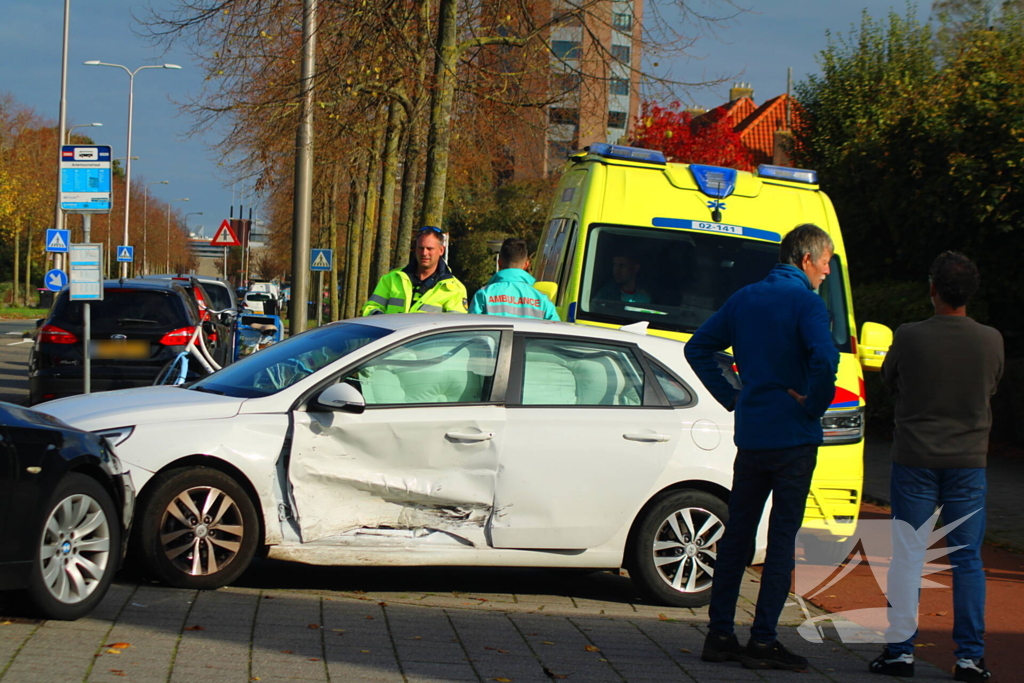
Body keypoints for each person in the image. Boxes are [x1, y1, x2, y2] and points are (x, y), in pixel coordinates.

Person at [684, 223, 839, 672]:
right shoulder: (807, 304)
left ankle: (719, 633)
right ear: (807, 258)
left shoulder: (745, 298)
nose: (827, 272)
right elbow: (825, 359)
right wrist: (814, 403)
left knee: (737, 535)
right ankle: (764, 639)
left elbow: (699, 349)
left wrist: (734, 395)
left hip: (751, 436)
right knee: (781, 539)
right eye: (826, 262)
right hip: (794, 438)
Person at [869, 252, 1003, 683]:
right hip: (967, 462)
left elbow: (890, 379)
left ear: (932, 289)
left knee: (909, 557)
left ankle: (900, 652)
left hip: (915, 459)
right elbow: (992, 386)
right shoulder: (991, 340)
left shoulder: (909, 336)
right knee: (967, 560)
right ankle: (968, 658)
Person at [361, 226, 468, 316]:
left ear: (441, 250)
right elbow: (370, 308)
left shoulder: (455, 290)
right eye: (420, 248)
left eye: (429, 249)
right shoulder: (391, 279)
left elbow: (453, 333)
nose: (424, 253)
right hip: (392, 340)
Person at [469, 238, 559, 320]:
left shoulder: (484, 294)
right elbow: (556, 332)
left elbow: (472, 331)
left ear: (499, 262)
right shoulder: (542, 300)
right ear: (526, 265)